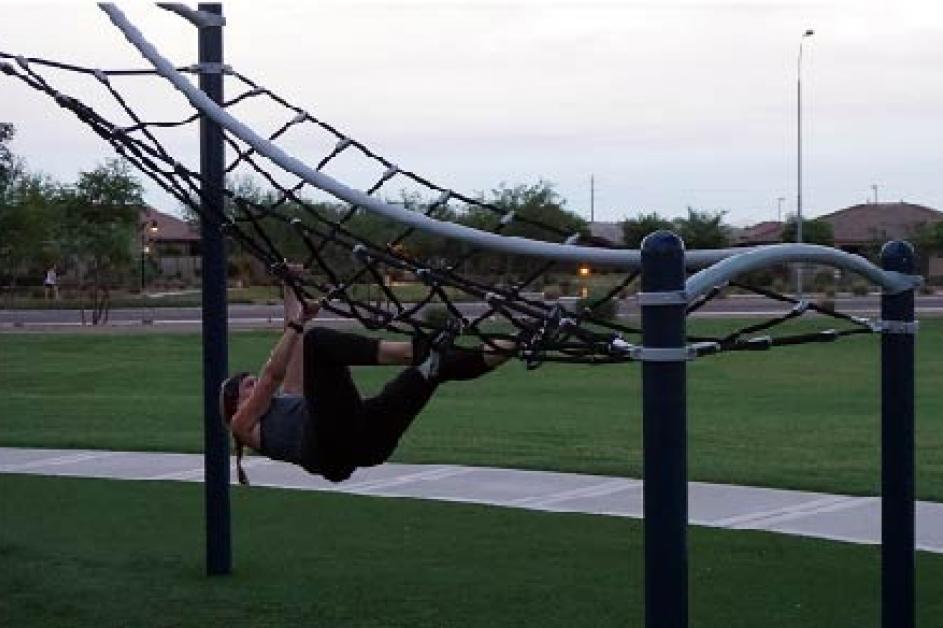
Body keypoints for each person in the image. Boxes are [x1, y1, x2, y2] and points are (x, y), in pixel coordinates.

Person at [219, 273, 514, 485]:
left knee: (438, 370)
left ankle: (522, 340)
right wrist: (298, 323)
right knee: (319, 343)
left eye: (252, 381)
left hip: (366, 443)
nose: (256, 385)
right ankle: (418, 350)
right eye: (248, 385)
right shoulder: (242, 424)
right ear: (237, 403)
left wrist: (290, 291)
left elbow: (293, 346)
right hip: (326, 448)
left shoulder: (290, 397)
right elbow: (273, 374)